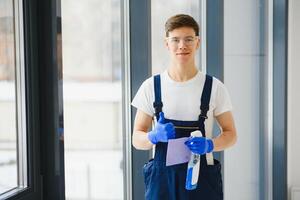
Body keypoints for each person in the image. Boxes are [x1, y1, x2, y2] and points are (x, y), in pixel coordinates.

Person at [131, 14, 237, 200]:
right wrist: (153, 136)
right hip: (162, 182)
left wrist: (210, 144)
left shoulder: (214, 87)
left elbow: (231, 135)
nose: (182, 45)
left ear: (197, 43)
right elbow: (136, 139)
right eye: (175, 40)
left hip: (202, 182)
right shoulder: (151, 87)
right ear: (167, 43)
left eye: (189, 39)